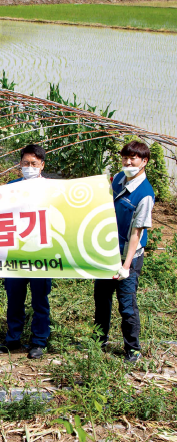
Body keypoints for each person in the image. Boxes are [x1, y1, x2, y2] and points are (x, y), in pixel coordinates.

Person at [94, 140, 154, 364]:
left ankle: (133, 348)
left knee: (126, 304)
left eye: (134, 159)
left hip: (128, 257)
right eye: (125, 158)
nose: (128, 162)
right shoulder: (119, 178)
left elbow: (136, 234)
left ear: (144, 161)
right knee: (101, 299)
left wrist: (126, 266)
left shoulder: (145, 194)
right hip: (108, 252)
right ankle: (98, 340)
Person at [0, 144, 52, 360]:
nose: (29, 167)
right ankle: (13, 338)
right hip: (16, 251)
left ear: (42, 165)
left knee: (40, 299)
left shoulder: (52, 188)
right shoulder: (10, 187)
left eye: (34, 164)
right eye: (25, 164)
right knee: (14, 298)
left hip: (41, 252)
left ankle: (39, 341)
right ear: (19, 165)